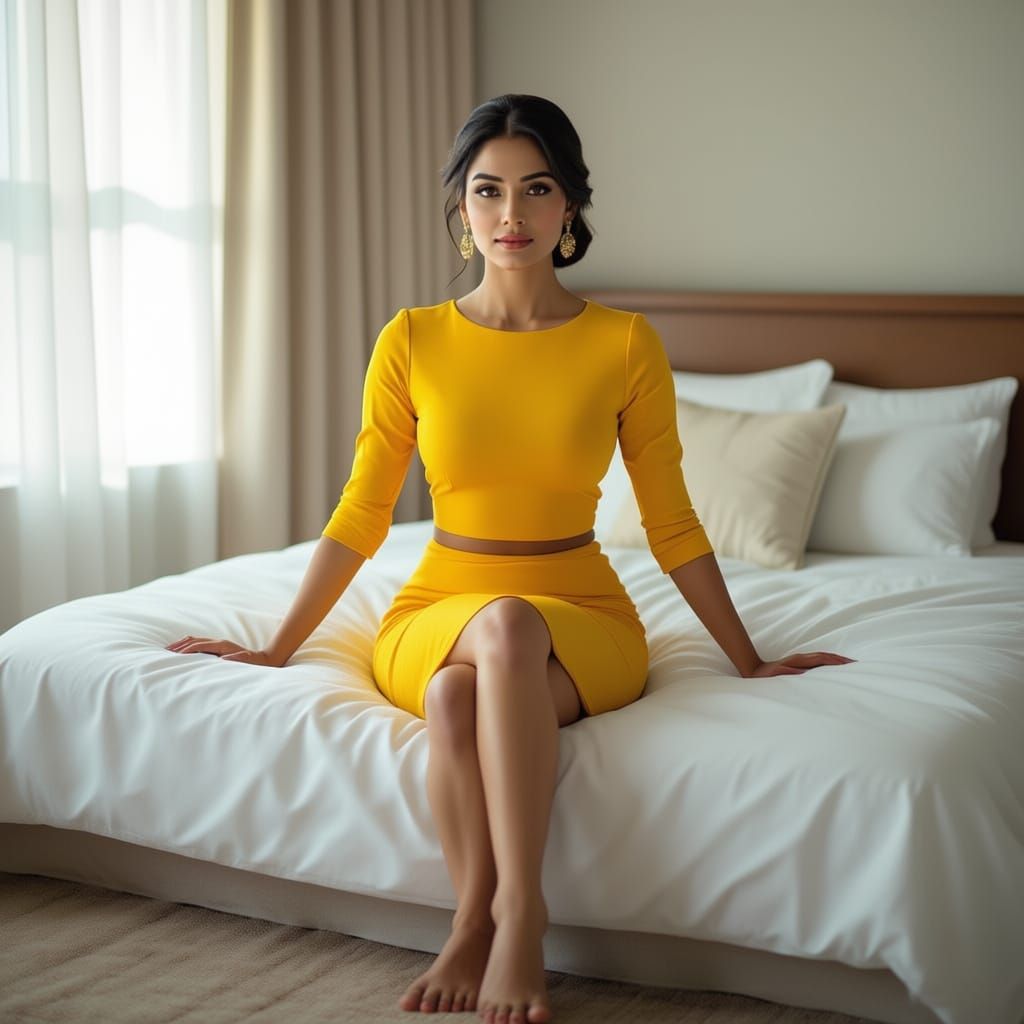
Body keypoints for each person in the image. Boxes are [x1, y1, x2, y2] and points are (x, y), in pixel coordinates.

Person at [167, 94, 856, 1024]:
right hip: (437, 606)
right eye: (488, 192)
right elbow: (362, 513)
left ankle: (511, 918)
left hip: (583, 614)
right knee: (460, 678)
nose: (511, 214)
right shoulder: (410, 340)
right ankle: (481, 919)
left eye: (536, 190)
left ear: (569, 205)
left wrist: (747, 657)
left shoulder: (622, 343)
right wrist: (278, 648)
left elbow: (673, 524)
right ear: (460, 209)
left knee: (506, 633)